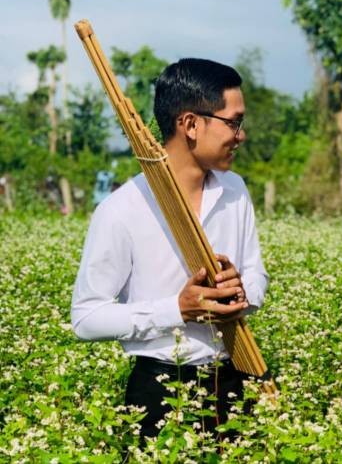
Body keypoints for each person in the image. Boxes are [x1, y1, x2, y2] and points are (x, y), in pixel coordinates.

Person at [71, 58, 268, 440]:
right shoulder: (121, 209)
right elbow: (86, 317)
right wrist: (176, 310)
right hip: (157, 388)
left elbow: (256, 273)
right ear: (191, 124)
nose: (241, 136)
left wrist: (243, 292)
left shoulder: (235, 191)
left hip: (233, 377)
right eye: (233, 122)